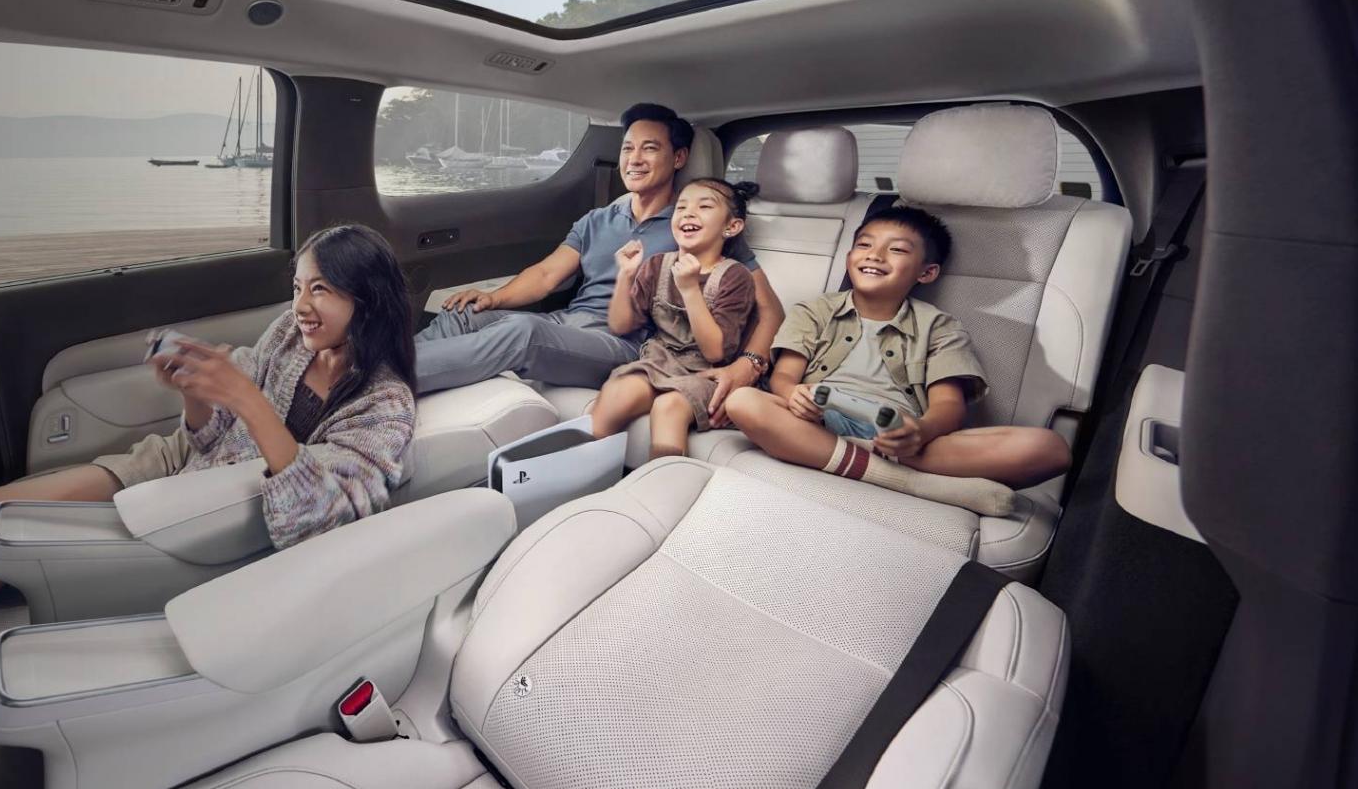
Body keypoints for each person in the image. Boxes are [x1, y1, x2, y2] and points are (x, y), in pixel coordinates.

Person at [0, 224, 419, 653]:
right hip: (177, 462)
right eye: (297, 287)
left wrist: (246, 398)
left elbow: (325, 519)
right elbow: (207, 439)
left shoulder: (385, 406)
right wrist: (194, 393)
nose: (300, 307)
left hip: (216, 504)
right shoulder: (289, 335)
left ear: (366, 298)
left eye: (321, 290)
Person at [416, 104, 785, 414]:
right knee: (464, 313)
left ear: (679, 158)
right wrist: (493, 298)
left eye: (649, 149)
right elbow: (545, 275)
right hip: (565, 323)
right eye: (628, 149)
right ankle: (389, 366)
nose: (634, 159)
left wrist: (748, 366)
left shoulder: (696, 226)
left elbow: (770, 310)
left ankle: (387, 379)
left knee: (524, 333)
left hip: (624, 343)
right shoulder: (598, 219)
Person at [723, 207, 1072, 515]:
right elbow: (785, 376)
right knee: (743, 402)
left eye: (897, 250)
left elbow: (948, 405)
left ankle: (853, 457)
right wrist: (793, 395)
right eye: (865, 245)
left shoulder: (940, 327)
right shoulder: (814, 311)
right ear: (849, 256)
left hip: (900, 439)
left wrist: (919, 433)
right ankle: (909, 482)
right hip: (819, 423)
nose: (875, 255)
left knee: (1049, 449)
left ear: (926, 272)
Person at [590, 178, 760, 459]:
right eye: (681, 207)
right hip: (660, 362)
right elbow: (620, 325)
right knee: (619, 391)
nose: (688, 213)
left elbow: (715, 352)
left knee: (668, 407)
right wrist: (626, 275)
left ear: (731, 227)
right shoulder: (657, 265)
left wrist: (690, 289)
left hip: (706, 374)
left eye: (704, 206)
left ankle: (663, 478)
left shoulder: (735, 276)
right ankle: (585, 466)